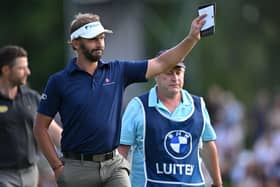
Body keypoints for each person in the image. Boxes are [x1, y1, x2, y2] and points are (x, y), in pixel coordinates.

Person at [33, 12, 207, 187]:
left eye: (101, 38)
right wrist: (56, 167)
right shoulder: (59, 82)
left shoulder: (117, 70)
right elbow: (40, 127)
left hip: (113, 166)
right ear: (76, 43)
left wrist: (191, 38)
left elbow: (161, 63)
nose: (99, 43)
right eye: (93, 39)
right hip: (77, 168)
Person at [118, 51, 223, 187]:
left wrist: (218, 183)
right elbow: (121, 152)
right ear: (156, 75)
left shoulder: (198, 106)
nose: (175, 78)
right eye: (168, 73)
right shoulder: (138, 107)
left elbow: (208, 146)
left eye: (178, 72)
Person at [0, 45, 62, 187]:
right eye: (21, 68)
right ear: (6, 70)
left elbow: (53, 130)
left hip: (30, 173)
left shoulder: (32, 98)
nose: (28, 72)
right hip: (3, 175)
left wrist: (76, 150)